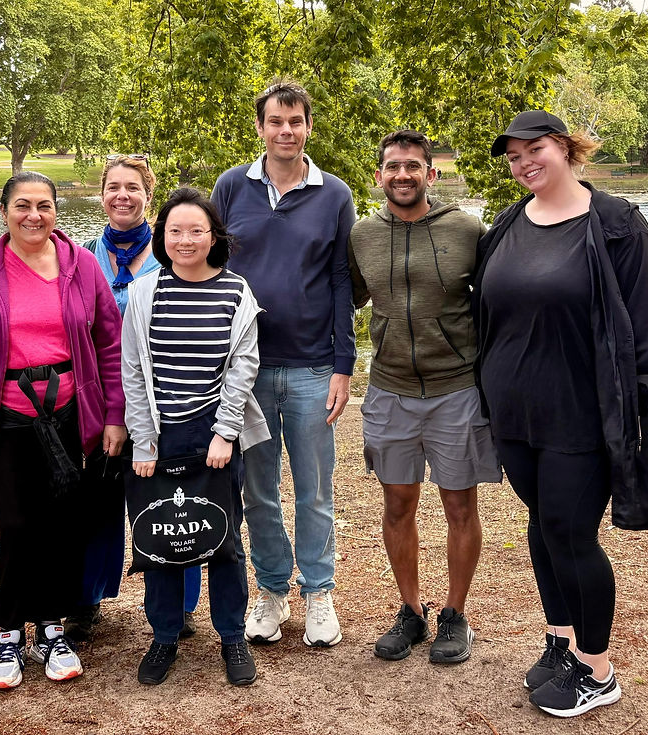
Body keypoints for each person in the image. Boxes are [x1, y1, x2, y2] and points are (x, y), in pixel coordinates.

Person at [473, 110, 648, 717]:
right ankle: (561, 640)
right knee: (543, 525)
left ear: (565, 147)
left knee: (569, 532)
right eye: (513, 157)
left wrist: (636, 406)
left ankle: (597, 669)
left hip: (582, 415)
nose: (523, 164)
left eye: (534, 149)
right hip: (515, 413)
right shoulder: (508, 223)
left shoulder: (615, 223)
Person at [0, 171, 125, 690]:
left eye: (44, 205)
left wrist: (114, 416)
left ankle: (51, 629)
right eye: (22, 205)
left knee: (60, 523)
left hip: (69, 414)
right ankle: (9, 634)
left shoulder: (81, 266)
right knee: (15, 524)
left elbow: (110, 345)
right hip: (3, 417)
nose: (33, 215)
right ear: (4, 212)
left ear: (56, 211)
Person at [212, 77, 356, 647]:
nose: (286, 131)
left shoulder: (334, 194)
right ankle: (272, 590)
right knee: (259, 491)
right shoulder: (231, 186)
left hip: (313, 366)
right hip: (245, 369)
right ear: (260, 127)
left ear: (308, 127)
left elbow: (341, 280)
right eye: (276, 121)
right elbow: (213, 269)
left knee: (315, 490)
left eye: (295, 121)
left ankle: (319, 591)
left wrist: (344, 364)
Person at [349, 130, 502, 665]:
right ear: (379, 176)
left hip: (455, 389)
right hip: (389, 388)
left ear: (430, 174)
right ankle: (411, 611)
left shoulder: (467, 229)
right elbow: (342, 299)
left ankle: (455, 614)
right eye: (393, 166)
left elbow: (500, 296)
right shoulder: (362, 235)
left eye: (413, 166)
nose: (403, 175)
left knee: (459, 504)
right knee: (398, 503)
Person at [121, 187, 269, 686]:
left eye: (196, 231)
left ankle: (232, 636)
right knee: (160, 534)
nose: (185, 240)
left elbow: (243, 367)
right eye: (175, 231)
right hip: (160, 433)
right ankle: (164, 636)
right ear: (162, 236)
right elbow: (132, 370)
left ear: (213, 237)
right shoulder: (145, 291)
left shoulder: (236, 292)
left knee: (224, 538)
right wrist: (143, 439)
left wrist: (226, 433)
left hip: (213, 430)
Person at [72, 154, 202, 641]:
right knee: (94, 504)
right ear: (102, 194)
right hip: (97, 402)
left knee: (171, 503)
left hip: (163, 400)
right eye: (113, 187)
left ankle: (179, 603)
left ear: (149, 194)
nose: (122, 196)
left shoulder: (172, 255)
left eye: (133, 187)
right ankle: (86, 599)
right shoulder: (82, 257)